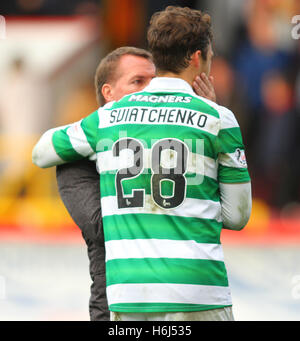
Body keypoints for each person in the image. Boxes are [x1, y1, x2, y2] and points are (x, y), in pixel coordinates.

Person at [32, 6, 251, 321]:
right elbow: (237, 216)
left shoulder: (108, 118)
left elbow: (41, 152)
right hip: (200, 291)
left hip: (129, 296)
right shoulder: (218, 118)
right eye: (211, 55)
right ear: (196, 58)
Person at [55, 46, 217, 321]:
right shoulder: (75, 163)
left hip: (186, 304)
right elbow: (101, 226)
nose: (148, 91)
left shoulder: (182, 142)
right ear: (108, 94)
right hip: (118, 309)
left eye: (153, 82)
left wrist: (210, 117)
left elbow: (219, 205)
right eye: (137, 82)